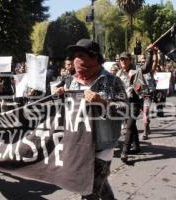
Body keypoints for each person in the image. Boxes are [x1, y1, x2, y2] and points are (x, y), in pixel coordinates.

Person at [55, 38, 128, 200]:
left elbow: (126, 110)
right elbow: (66, 111)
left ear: (94, 57)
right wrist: (59, 97)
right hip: (79, 144)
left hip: (102, 146)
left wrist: (103, 102)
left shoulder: (112, 81)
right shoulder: (71, 81)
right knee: (100, 185)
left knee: (88, 190)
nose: (76, 60)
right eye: (74, 56)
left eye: (80, 55)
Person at [116, 45, 156, 163]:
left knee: (129, 127)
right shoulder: (118, 73)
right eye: (121, 60)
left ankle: (125, 152)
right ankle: (137, 147)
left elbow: (147, 68)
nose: (123, 61)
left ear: (130, 60)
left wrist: (150, 53)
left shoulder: (136, 70)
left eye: (125, 59)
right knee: (132, 126)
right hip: (122, 103)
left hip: (134, 102)